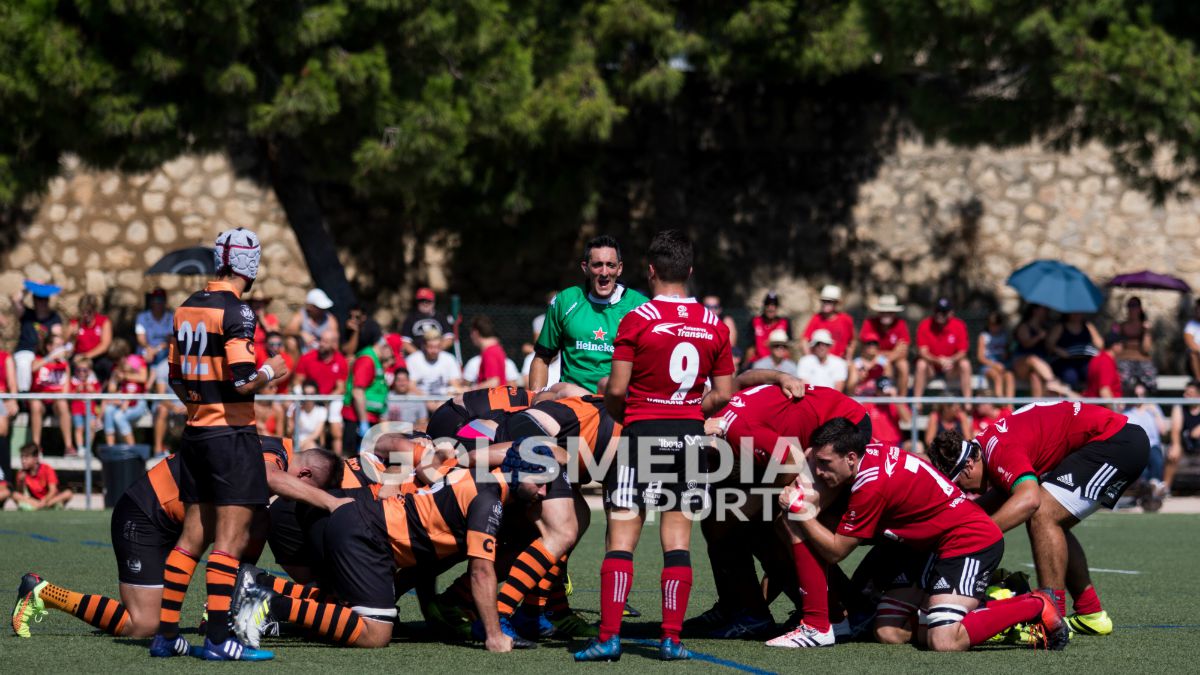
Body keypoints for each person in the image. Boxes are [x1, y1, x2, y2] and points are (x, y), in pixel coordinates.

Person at [576, 229, 735, 662]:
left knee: (621, 540)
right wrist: (690, 407)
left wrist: (624, 409)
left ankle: (609, 638)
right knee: (678, 541)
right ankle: (671, 639)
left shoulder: (637, 318)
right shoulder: (714, 324)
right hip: (688, 439)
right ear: (689, 270)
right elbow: (723, 393)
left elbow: (617, 388)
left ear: (649, 271)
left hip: (641, 432)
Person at [10, 438, 340, 640]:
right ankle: (42, 593)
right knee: (143, 626)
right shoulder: (273, 451)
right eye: (307, 491)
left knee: (257, 519)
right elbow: (270, 475)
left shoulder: (270, 458)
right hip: (145, 516)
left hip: (182, 523)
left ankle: (221, 606)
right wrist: (331, 503)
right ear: (305, 475)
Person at [789, 426, 1068, 651]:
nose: (820, 472)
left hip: (970, 542)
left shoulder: (870, 486)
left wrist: (802, 512)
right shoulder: (869, 448)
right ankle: (951, 613)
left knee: (944, 641)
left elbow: (836, 551)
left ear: (850, 457)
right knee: (888, 632)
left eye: (825, 464)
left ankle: (1035, 604)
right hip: (930, 546)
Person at [149, 227, 290, 661]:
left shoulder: (186, 307)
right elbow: (244, 379)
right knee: (229, 541)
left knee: (191, 539)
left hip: (195, 435)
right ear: (250, 263)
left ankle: (166, 635)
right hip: (230, 438)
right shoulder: (237, 311)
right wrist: (273, 370)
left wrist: (200, 406)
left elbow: (174, 377)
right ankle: (216, 639)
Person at [930, 400, 1150, 637]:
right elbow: (988, 504)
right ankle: (1090, 614)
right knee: (1052, 520)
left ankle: (1051, 619)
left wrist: (978, 537)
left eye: (960, 484)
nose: (965, 491)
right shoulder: (988, 448)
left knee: (1043, 513)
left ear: (969, 466)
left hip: (1116, 442)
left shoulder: (999, 450)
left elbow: (1029, 500)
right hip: (1105, 442)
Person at [529, 235, 649, 392]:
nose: (604, 272)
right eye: (598, 265)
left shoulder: (641, 307)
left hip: (616, 406)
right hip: (571, 403)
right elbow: (541, 359)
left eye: (610, 265)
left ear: (619, 268)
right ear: (585, 267)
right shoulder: (564, 301)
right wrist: (536, 398)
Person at [293, 326, 348, 454]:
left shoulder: (340, 361)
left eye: (325, 341)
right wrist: (304, 397)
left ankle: (338, 460)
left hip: (329, 400)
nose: (321, 344)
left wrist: (324, 401)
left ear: (334, 344)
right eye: (321, 340)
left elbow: (340, 388)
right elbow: (297, 382)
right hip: (309, 397)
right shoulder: (307, 357)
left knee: (336, 425)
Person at [341, 319, 392, 456]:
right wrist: (363, 422)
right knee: (353, 461)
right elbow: (358, 392)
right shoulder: (367, 360)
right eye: (389, 347)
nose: (392, 353)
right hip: (357, 418)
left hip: (368, 417)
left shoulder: (375, 360)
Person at [137, 289, 177, 456]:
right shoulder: (143, 317)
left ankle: (148, 388)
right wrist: (149, 349)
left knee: (159, 362)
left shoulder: (170, 317)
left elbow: (170, 338)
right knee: (148, 361)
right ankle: (144, 395)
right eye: (156, 300)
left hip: (163, 354)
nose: (158, 303)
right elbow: (141, 338)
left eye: (161, 300)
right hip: (149, 356)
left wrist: (157, 348)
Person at [913, 298, 972, 402]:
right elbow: (923, 352)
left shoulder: (959, 325)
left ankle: (968, 404)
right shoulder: (925, 325)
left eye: (944, 312)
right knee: (921, 364)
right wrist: (938, 361)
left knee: (965, 364)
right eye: (937, 311)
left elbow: (963, 352)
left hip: (951, 368)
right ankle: (916, 405)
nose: (940, 315)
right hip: (931, 368)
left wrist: (950, 360)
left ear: (951, 313)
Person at [1122, 382, 1170, 507]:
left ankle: (1154, 490)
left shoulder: (1153, 409)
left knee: (1157, 461)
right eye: (1136, 395)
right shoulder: (1127, 412)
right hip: (1136, 447)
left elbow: (1163, 430)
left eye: (1142, 394)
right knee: (1141, 468)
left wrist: (1155, 412)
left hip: (1152, 445)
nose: (1139, 398)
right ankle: (1148, 491)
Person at [29, 325, 74, 455]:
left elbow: (65, 391)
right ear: (49, 347)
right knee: (35, 403)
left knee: (62, 402)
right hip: (41, 400)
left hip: (55, 402)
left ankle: (69, 446)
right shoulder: (39, 359)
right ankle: (36, 447)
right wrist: (50, 358)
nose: (60, 349)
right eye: (56, 346)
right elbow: (33, 368)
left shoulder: (64, 365)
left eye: (61, 346)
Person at [11, 285, 63, 392]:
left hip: (45, 352)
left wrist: (52, 353)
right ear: (34, 300)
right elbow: (15, 299)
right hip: (26, 351)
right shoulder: (27, 314)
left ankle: (56, 393)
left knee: (61, 359)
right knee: (24, 363)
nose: (42, 303)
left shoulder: (54, 317)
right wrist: (30, 287)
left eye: (44, 299)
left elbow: (57, 337)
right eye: (38, 299)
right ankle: (23, 395)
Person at [406, 327, 464, 420]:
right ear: (424, 345)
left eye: (437, 347)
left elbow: (455, 384)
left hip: (443, 401)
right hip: (421, 401)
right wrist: (426, 399)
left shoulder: (449, 359)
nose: (434, 351)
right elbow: (410, 386)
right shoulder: (413, 359)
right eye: (431, 347)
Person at [1011, 304, 1069, 397]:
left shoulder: (1045, 328)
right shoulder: (1024, 326)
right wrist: (1038, 337)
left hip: (1039, 367)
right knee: (1033, 359)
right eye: (1044, 309)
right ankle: (1052, 381)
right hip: (1022, 363)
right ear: (1035, 311)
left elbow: (1048, 349)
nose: (1047, 312)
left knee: (1035, 377)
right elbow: (1026, 344)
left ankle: (1039, 407)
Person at [859, 294, 911, 396]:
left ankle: (901, 401)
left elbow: (904, 352)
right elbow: (866, 350)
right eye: (883, 312)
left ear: (894, 313)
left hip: (887, 360)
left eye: (890, 312)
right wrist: (892, 353)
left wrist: (884, 357)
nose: (886, 315)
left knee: (903, 365)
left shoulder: (900, 324)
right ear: (879, 312)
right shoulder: (869, 323)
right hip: (872, 360)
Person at [103, 339, 150, 447]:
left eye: (117, 358)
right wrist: (114, 378)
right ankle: (111, 448)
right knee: (108, 411)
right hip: (123, 401)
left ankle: (132, 449)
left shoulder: (136, 360)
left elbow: (143, 378)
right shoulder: (116, 367)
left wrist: (125, 376)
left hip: (138, 402)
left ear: (123, 355)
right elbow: (111, 390)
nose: (115, 362)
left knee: (119, 417)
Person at [1047, 313, 1102, 392]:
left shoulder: (1088, 326)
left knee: (1092, 372)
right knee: (1070, 376)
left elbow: (1100, 345)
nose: (1077, 315)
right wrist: (1059, 351)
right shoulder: (1060, 327)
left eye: (1079, 313)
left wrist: (1091, 330)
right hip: (1066, 361)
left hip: (1085, 360)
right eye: (1074, 313)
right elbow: (1049, 344)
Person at [1111, 296, 1157, 391]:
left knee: (1150, 379)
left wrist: (1147, 332)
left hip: (1142, 359)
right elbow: (1113, 346)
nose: (1132, 309)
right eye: (1130, 306)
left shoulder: (1145, 327)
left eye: (1134, 306)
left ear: (1140, 309)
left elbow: (1146, 349)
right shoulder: (1120, 326)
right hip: (1124, 359)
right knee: (1124, 379)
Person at [11, 443, 74, 510]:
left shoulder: (47, 469)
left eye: (26, 458)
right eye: (22, 458)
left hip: (49, 499)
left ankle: (38, 507)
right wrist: (21, 482)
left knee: (68, 493)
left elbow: (53, 490)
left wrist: (43, 502)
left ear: (35, 459)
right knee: (14, 494)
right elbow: (21, 493)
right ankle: (41, 507)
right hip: (34, 501)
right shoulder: (21, 473)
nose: (23, 461)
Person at [67, 294, 114, 384]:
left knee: (107, 366)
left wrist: (86, 356)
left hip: (96, 357)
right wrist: (72, 335)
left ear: (94, 310)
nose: (85, 315)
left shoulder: (103, 321)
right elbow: (65, 342)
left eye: (89, 312)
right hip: (77, 356)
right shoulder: (75, 322)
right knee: (69, 364)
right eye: (83, 312)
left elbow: (105, 345)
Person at [802, 285, 855, 358]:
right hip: (819, 362)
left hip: (839, 362)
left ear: (836, 303)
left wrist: (848, 358)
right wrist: (810, 359)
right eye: (824, 301)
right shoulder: (816, 318)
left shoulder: (846, 319)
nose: (825, 304)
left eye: (829, 301)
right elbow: (805, 340)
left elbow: (851, 342)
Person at [400, 287, 455, 356]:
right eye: (422, 301)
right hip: (417, 357)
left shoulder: (441, 317)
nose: (425, 303)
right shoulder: (410, 319)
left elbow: (449, 338)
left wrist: (435, 351)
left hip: (438, 355)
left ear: (433, 302)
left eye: (428, 301)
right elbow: (405, 342)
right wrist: (419, 356)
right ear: (417, 303)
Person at [1167, 379, 1200, 494]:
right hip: (1184, 448)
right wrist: (1176, 445)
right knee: (1173, 454)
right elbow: (1176, 430)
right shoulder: (1180, 407)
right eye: (1185, 393)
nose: (1185, 396)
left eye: (1189, 394)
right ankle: (1165, 489)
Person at [286, 288, 339, 355]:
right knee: (291, 342)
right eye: (319, 307)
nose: (323, 310)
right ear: (310, 307)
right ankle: (296, 365)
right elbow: (287, 331)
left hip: (322, 353)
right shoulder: (301, 315)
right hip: (304, 352)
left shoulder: (330, 319)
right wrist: (301, 333)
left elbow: (335, 343)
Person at [977, 311, 1015, 400]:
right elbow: (980, 357)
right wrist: (994, 365)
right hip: (988, 365)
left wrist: (1006, 354)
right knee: (997, 377)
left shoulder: (1004, 335)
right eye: (991, 325)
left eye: (996, 325)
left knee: (1010, 376)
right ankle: (1000, 402)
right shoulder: (983, 336)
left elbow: (1007, 352)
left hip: (1001, 364)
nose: (994, 327)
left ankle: (1009, 405)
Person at [748, 291, 791, 366]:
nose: (770, 308)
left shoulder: (784, 323)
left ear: (777, 308)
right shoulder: (755, 321)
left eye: (774, 305)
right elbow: (751, 347)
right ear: (764, 306)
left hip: (779, 364)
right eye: (768, 305)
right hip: (758, 362)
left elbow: (788, 349)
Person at [69, 355, 102, 452]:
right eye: (79, 370)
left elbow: (99, 396)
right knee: (79, 428)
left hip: (90, 410)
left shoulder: (93, 381)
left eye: (85, 370)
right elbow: (69, 396)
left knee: (91, 428)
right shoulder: (73, 381)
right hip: (77, 410)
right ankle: (80, 448)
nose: (81, 373)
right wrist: (76, 391)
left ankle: (88, 448)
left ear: (90, 370)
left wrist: (93, 391)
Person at [469, 315, 508, 388]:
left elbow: (493, 382)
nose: (470, 336)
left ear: (475, 333)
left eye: (471, 333)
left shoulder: (490, 352)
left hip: (492, 398)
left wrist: (470, 390)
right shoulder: (496, 348)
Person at [1084, 333, 1123, 401]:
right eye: (1121, 344)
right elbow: (1104, 391)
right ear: (1115, 346)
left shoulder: (1098, 358)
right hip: (1103, 408)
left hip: (1097, 406)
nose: (1123, 347)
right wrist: (1114, 410)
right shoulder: (1106, 362)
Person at [293, 382, 328, 450]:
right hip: (297, 442)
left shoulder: (322, 411)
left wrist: (302, 443)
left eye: (312, 394)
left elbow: (316, 434)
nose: (308, 397)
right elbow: (292, 432)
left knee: (311, 446)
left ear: (316, 395)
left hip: (309, 443)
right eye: (306, 394)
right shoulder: (296, 410)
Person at [247, 290, 281, 356]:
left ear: (264, 304)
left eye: (260, 302)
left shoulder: (271, 318)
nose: (258, 305)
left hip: (266, 354)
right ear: (251, 303)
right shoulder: (246, 319)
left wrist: (263, 321)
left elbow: (276, 336)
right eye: (255, 302)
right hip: (250, 352)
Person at [1184, 299, 1200, 380]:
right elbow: (1189, 342)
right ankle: (1198, 380)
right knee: (1193, 354)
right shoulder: (1191, 325)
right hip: (1196, 356)